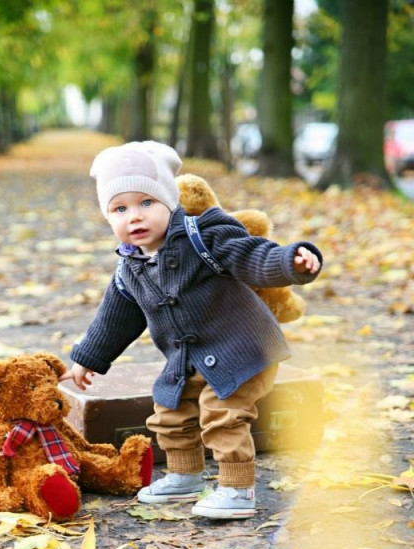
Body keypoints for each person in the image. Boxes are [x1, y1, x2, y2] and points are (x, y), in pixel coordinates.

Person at [59, 140, 322, 519]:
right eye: (120, 208)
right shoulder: (129, 268)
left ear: (169, 201)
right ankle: (186, 476)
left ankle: (237, 489)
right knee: (169, 409)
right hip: (186, 357)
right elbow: (112, 321)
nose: (134, 216)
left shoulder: (205, 237)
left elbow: (253, 256)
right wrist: (88, 359)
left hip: (243, 349)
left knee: (223, 413)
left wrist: (289, 262)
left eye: (146, 203)